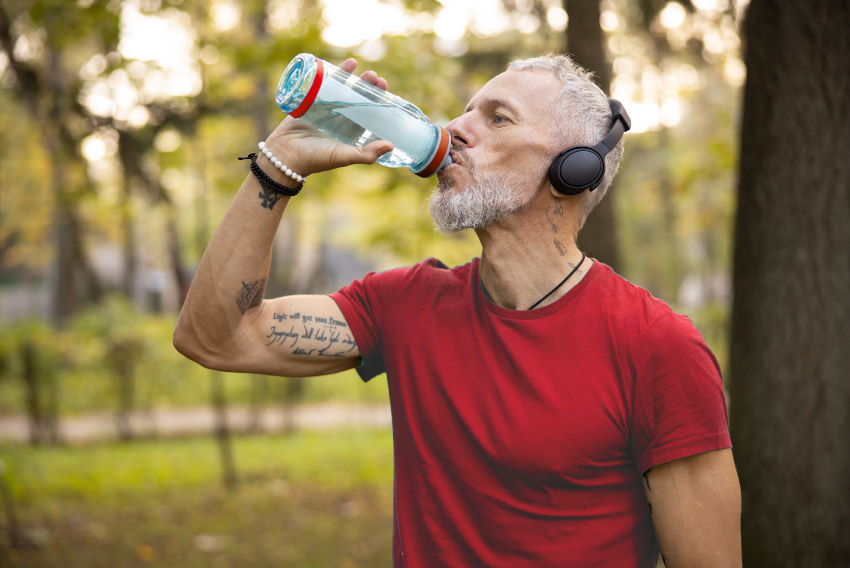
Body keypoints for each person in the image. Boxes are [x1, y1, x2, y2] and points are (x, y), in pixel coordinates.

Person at [174, 54, 741, 567]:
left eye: (497, 118)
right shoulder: (405, 306)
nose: (455, 129)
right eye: (466, 111)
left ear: (574, 169)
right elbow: (217, 337)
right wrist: (278, 164)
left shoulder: (656, 347)